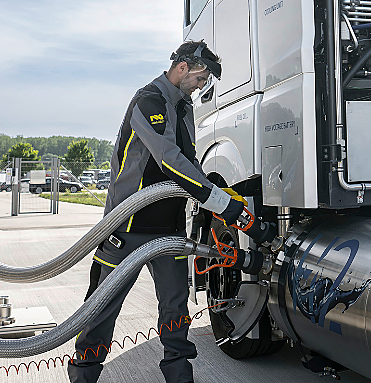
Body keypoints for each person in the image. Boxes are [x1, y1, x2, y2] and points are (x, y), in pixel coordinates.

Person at [68, 41, 246, 383]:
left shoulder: (184, 108)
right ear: (183, 68)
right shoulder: (148, 100)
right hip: (128, 225)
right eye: (200, 78)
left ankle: (180, 376)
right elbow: (168, 160)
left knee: (176, 308)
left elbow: (189, 160)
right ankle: (83, 376)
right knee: (101, 308)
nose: (201, 86)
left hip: (168, 227)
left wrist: (217, 191)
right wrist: (218, 201)